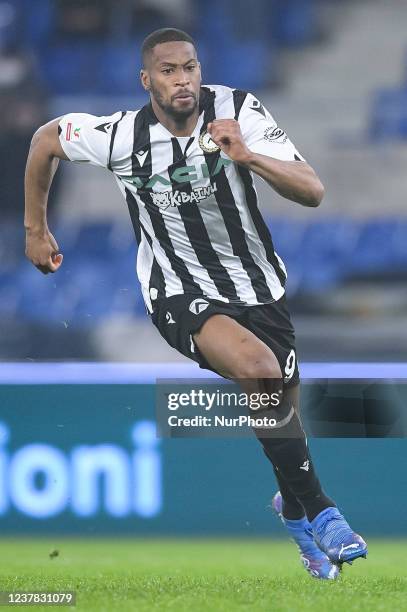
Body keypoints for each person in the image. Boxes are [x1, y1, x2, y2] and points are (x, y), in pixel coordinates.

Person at [24, 28, 367, 579]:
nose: (182, 80)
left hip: (260, 288)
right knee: (261, 373)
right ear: (147, 80)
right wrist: (36, 230)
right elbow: (45, 139)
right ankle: (325, 512)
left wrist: (249, 156)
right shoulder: (119, 135)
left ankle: (295, 513)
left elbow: (312, 189)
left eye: (189, 68)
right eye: (168, 71)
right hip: (178, 289)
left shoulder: (238, 111)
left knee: (279, 413)